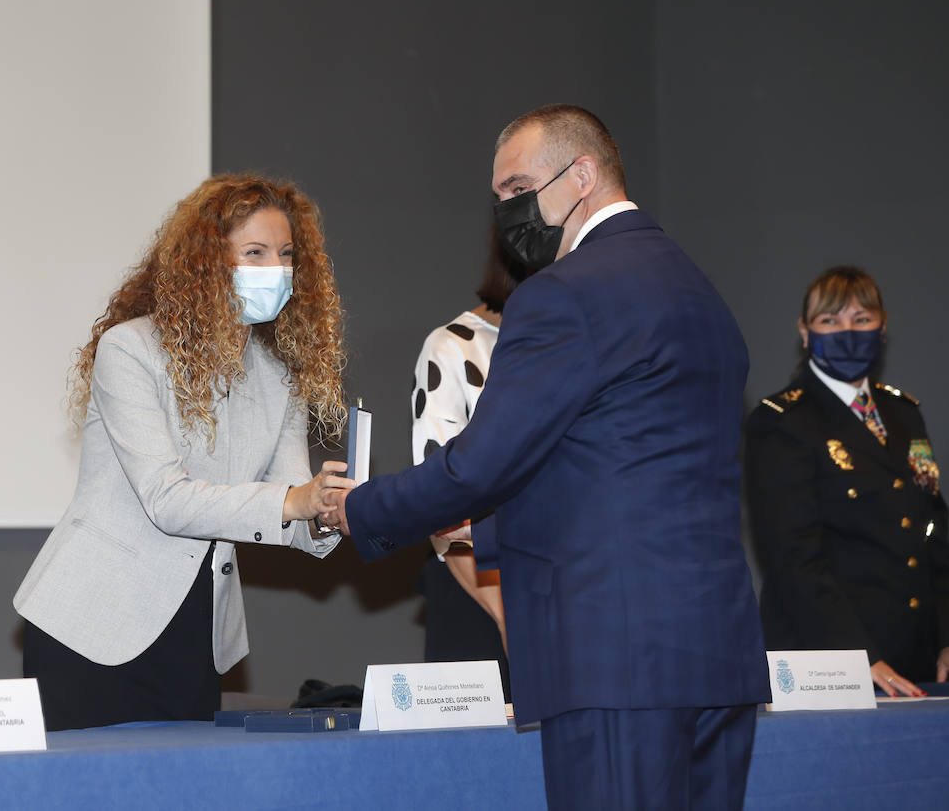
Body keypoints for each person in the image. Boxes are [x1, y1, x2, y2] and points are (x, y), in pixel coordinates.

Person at [321, 105, 770, 810]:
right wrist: (489, 533)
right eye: (498, 196)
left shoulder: (563, 295)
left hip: (614, 661)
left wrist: (361, 508)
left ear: (582, 175)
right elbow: (632, 475)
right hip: (716, 652)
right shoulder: (699, 291)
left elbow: (480, 465)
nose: (507, 212)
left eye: (518, 188)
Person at [13, 174, 352, 730]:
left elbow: (289, 505)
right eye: (255, 253)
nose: (277, 270)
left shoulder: (280, 378)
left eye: (287, 255)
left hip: (197, 630)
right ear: (207, 262)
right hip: (92, 624)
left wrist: (328, 512)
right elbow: (167, 500)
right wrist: (296, 501)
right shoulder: (131, 349)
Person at [747, 266, 948, 696]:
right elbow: (793, 558)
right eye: (830, 320)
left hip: (918, 659)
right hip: (832, 663)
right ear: (805, 332)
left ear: (883, 328)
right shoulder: (782, 422)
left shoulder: (903, 413)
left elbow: (934, 534)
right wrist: (859, 656)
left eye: (861, 319)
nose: (847, 331)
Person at [411, 221, 523, 699]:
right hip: (479, 592)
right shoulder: (454, 346)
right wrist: (507, 616)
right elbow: (442, 505)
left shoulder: (577, 343)